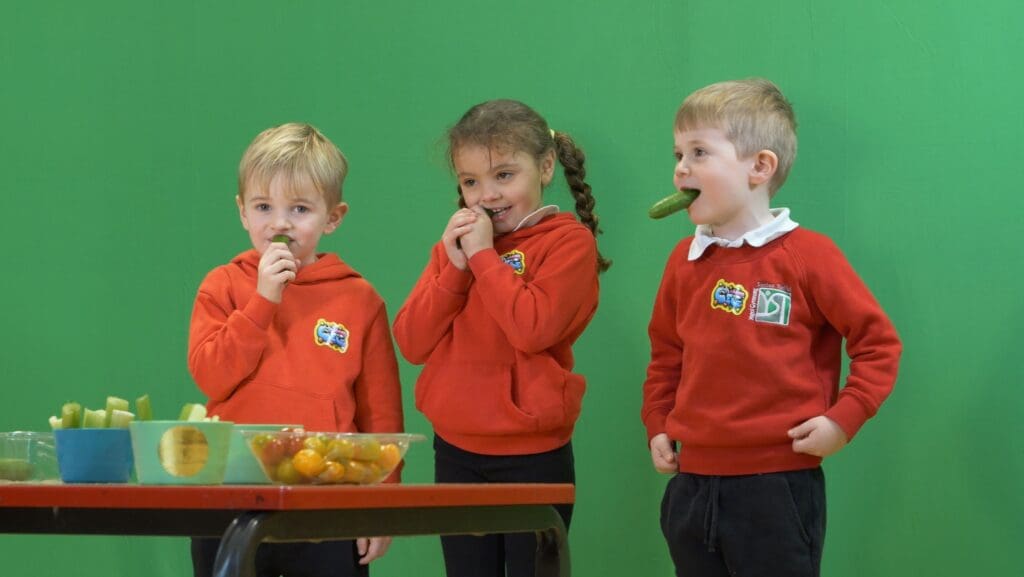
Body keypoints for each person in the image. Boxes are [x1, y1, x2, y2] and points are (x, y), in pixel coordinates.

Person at [641, 78, 902, 577]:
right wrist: (657, 421)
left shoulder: (809, 255)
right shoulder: (684, 260)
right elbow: (666, 354)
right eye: (677, 153)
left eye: (699, 152)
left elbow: (878, 344)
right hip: (691, 486)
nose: (680, 168)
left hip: (777, 488)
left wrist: (843, 419)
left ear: (760, 167)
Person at [393, 99, 610, 577]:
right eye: (471, 182)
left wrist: (485, 259)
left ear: (546, 166)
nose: (486, 195)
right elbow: (411, 342)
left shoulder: (569, 244)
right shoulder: (459, 247)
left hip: (533, 457)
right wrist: (454, 267)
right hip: (456, 452)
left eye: (504, 176)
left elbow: (532, 329)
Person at [187, 122, 403, 577]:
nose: (280, 223)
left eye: (300, 208)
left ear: (333, 217)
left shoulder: (360, 299)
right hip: (229, 496)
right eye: (264, 206)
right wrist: (262, 300)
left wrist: (381, 505)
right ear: (242, 211)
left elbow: (380, 415)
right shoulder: (222, 285)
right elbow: (211, 375)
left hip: (328, 501)